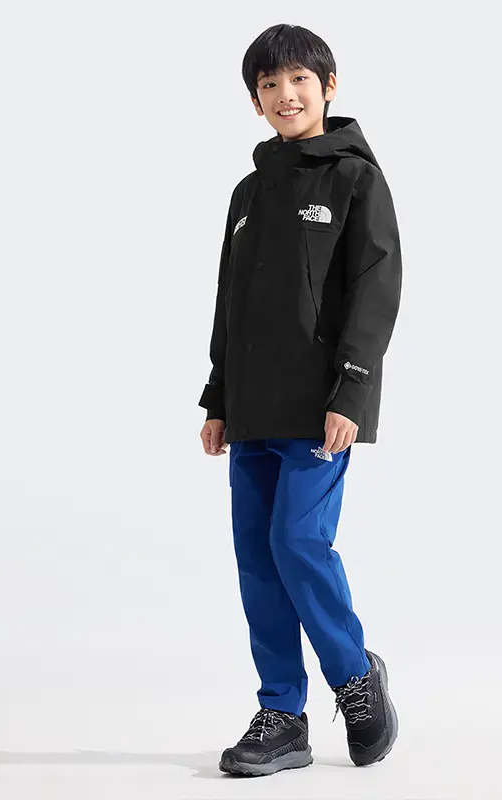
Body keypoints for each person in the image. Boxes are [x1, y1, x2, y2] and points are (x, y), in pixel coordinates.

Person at [197, 23, 402, 777]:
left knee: (297, 543)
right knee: (257, 558)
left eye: (299, 81)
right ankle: (282, 714)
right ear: (255, 100)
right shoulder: (248, 194)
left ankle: (354, 676)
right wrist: (217, 397)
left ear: (328, 87)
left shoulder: (355, 179)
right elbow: (229, 301)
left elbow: (376, 289)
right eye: (270, 85)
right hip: (252, 407)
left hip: (321, 407)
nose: (286, 95)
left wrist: (352, 389)